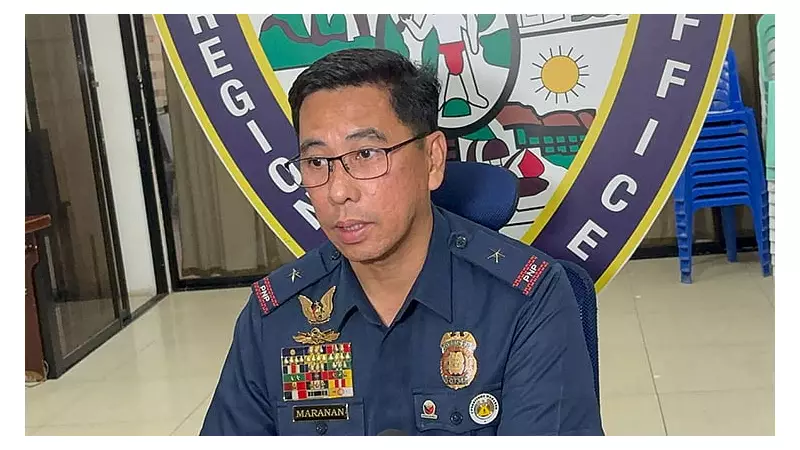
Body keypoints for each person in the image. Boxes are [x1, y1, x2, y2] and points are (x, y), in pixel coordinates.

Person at [200, 48, 603, 436]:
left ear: (432, 159)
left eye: (366, 154)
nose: (338, 191)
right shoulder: (275, 315)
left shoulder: (527, 300)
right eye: (317, 162)